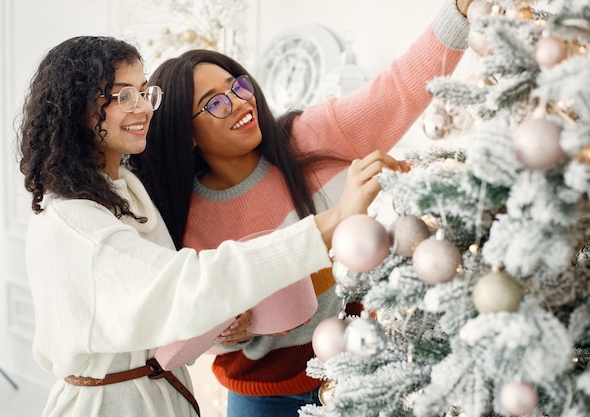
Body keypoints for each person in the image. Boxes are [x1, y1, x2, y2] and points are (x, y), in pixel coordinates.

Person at [131, 0, 475, 415]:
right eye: (215, 103)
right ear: (187, 135)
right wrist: (230, 331)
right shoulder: (185, 219)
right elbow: (193, 320)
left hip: (364, 367)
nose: (240, 102)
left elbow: (398, 89)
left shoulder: (312, 135)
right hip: (262, 395)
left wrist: (458, 12)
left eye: (237, 86)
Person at [16, 35, 389, 417]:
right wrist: (332, 221)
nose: (143, 107)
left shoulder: (126, 192)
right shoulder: (77, 224)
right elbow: (187, 285)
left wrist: (230, 322)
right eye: (123, 96)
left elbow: (169, 309)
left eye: (144, 92)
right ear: (77, 110)